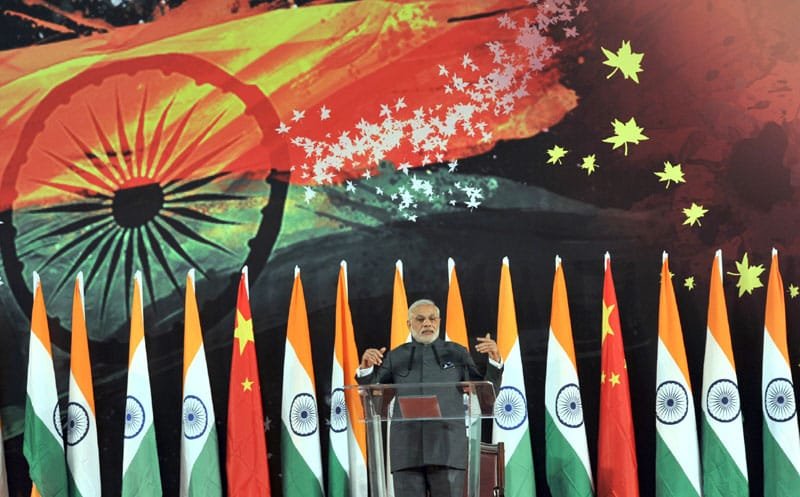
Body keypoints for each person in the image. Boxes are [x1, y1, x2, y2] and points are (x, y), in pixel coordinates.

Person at [356, 299, 503, 497]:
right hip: (406, 451)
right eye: (420, 319)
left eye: (432, 318)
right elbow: (374, 400)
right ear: (409, 324)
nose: (427, 323)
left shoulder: (457, 352)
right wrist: (366, 369)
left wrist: (494, 361)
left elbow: (485, 395)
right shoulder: (396, 356)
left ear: (439, 321)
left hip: (448, 448)